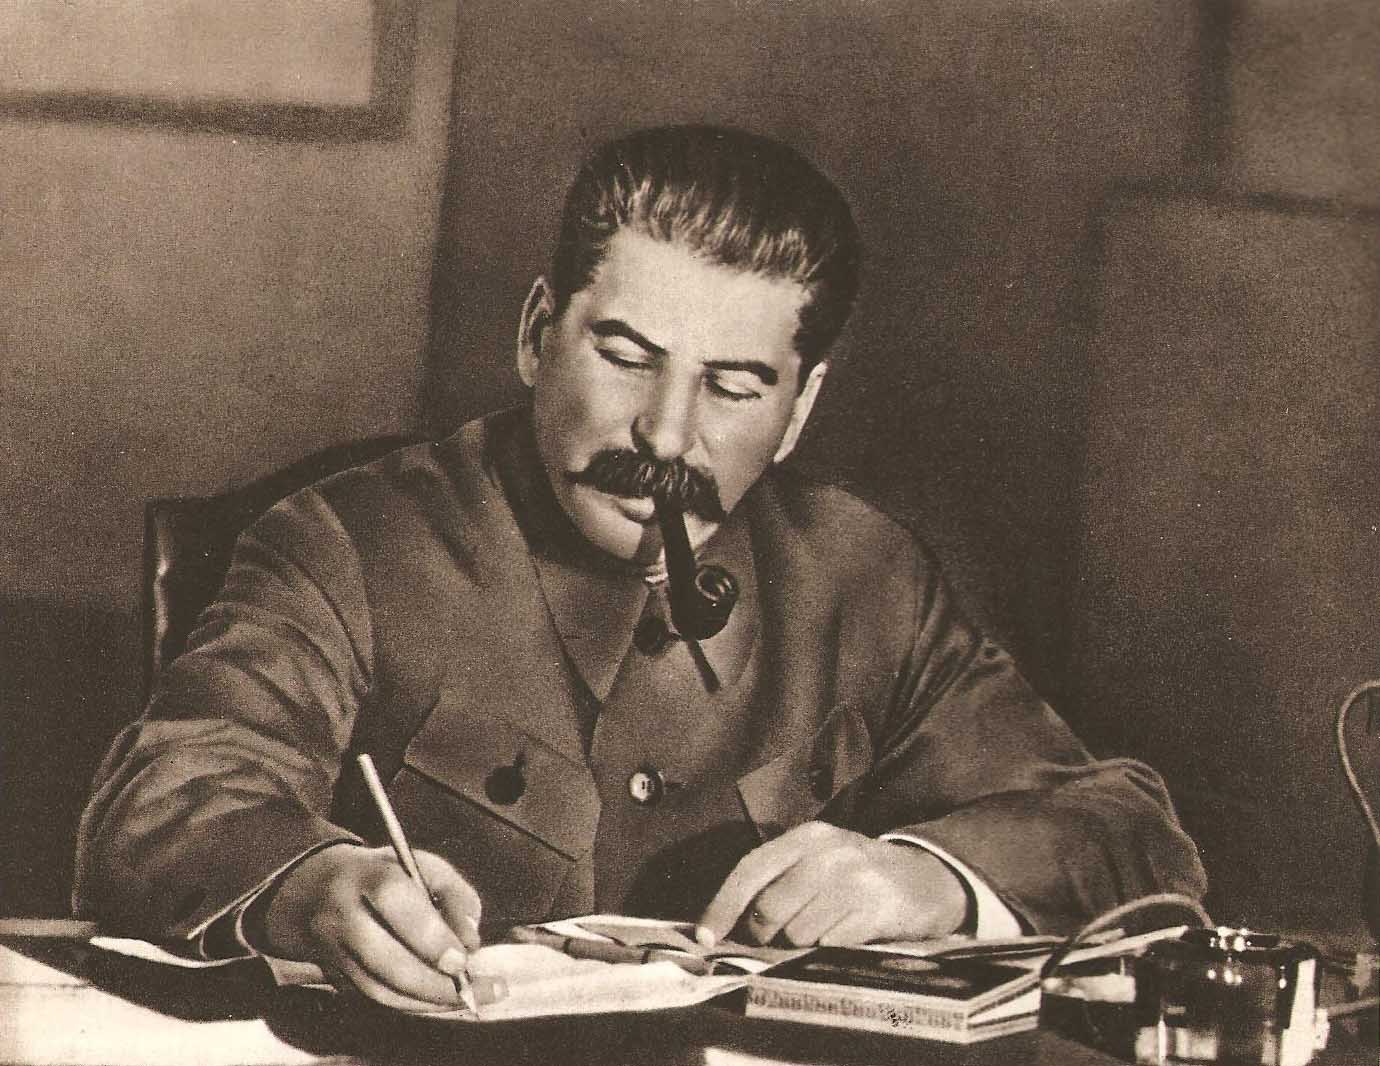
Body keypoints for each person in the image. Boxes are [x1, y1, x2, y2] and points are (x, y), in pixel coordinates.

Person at [74, 124, 1205, 1014]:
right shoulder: (347, 542)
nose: (666, 435)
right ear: (537, 335)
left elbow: (1127, 828)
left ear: (800, 408)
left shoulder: (866, 578)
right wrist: (309, 885)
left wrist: (929, 877)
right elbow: (169, 799)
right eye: (625, 356)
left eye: (734, 386)